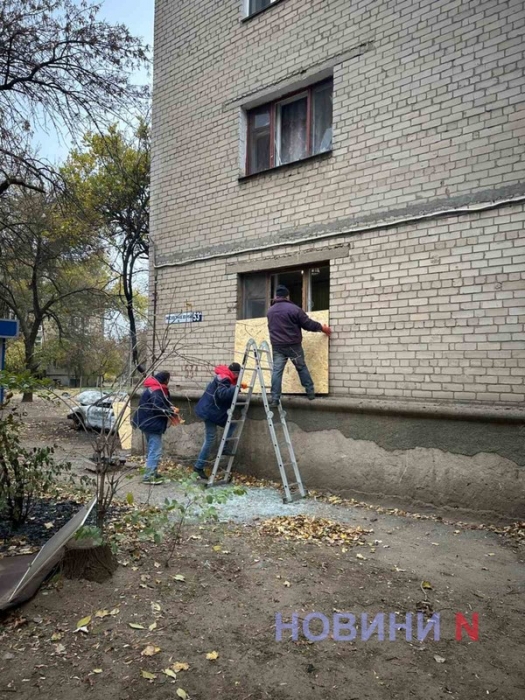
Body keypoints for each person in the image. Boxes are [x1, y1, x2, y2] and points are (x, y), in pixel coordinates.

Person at [267, 285, 332, 407]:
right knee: (301, 367)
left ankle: (275, 399)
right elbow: (308, 324)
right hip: (293, 346)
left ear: (276, 296)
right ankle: (310, 393)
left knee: (276, 371)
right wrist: (322, 328)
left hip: (277, 346)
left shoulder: (270, 311)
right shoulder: (294, 309)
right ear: (287, 296)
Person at [193, 362, 245, 480]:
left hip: (212, 411)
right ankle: (198, 466)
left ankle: (223, 447)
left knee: (231, 424)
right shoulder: (224, 378)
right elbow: (222, 394)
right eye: (238, 375)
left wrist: (235, 388)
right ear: (235, 373)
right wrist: (236, 388)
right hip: (211, 412)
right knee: (210, 439)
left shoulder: (224, 377)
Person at [131, 371, 175, 484]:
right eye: (168, 379)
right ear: (165, 380)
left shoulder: (154, 388)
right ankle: (148, 476)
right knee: (155, 450)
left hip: (146, 422)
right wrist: (170, 412)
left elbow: (159, 403)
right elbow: (157, 407)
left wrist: (169, 406)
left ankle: (153, 472)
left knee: (152, 448)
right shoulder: (157, 390)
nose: (168, 382)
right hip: (152, 423)